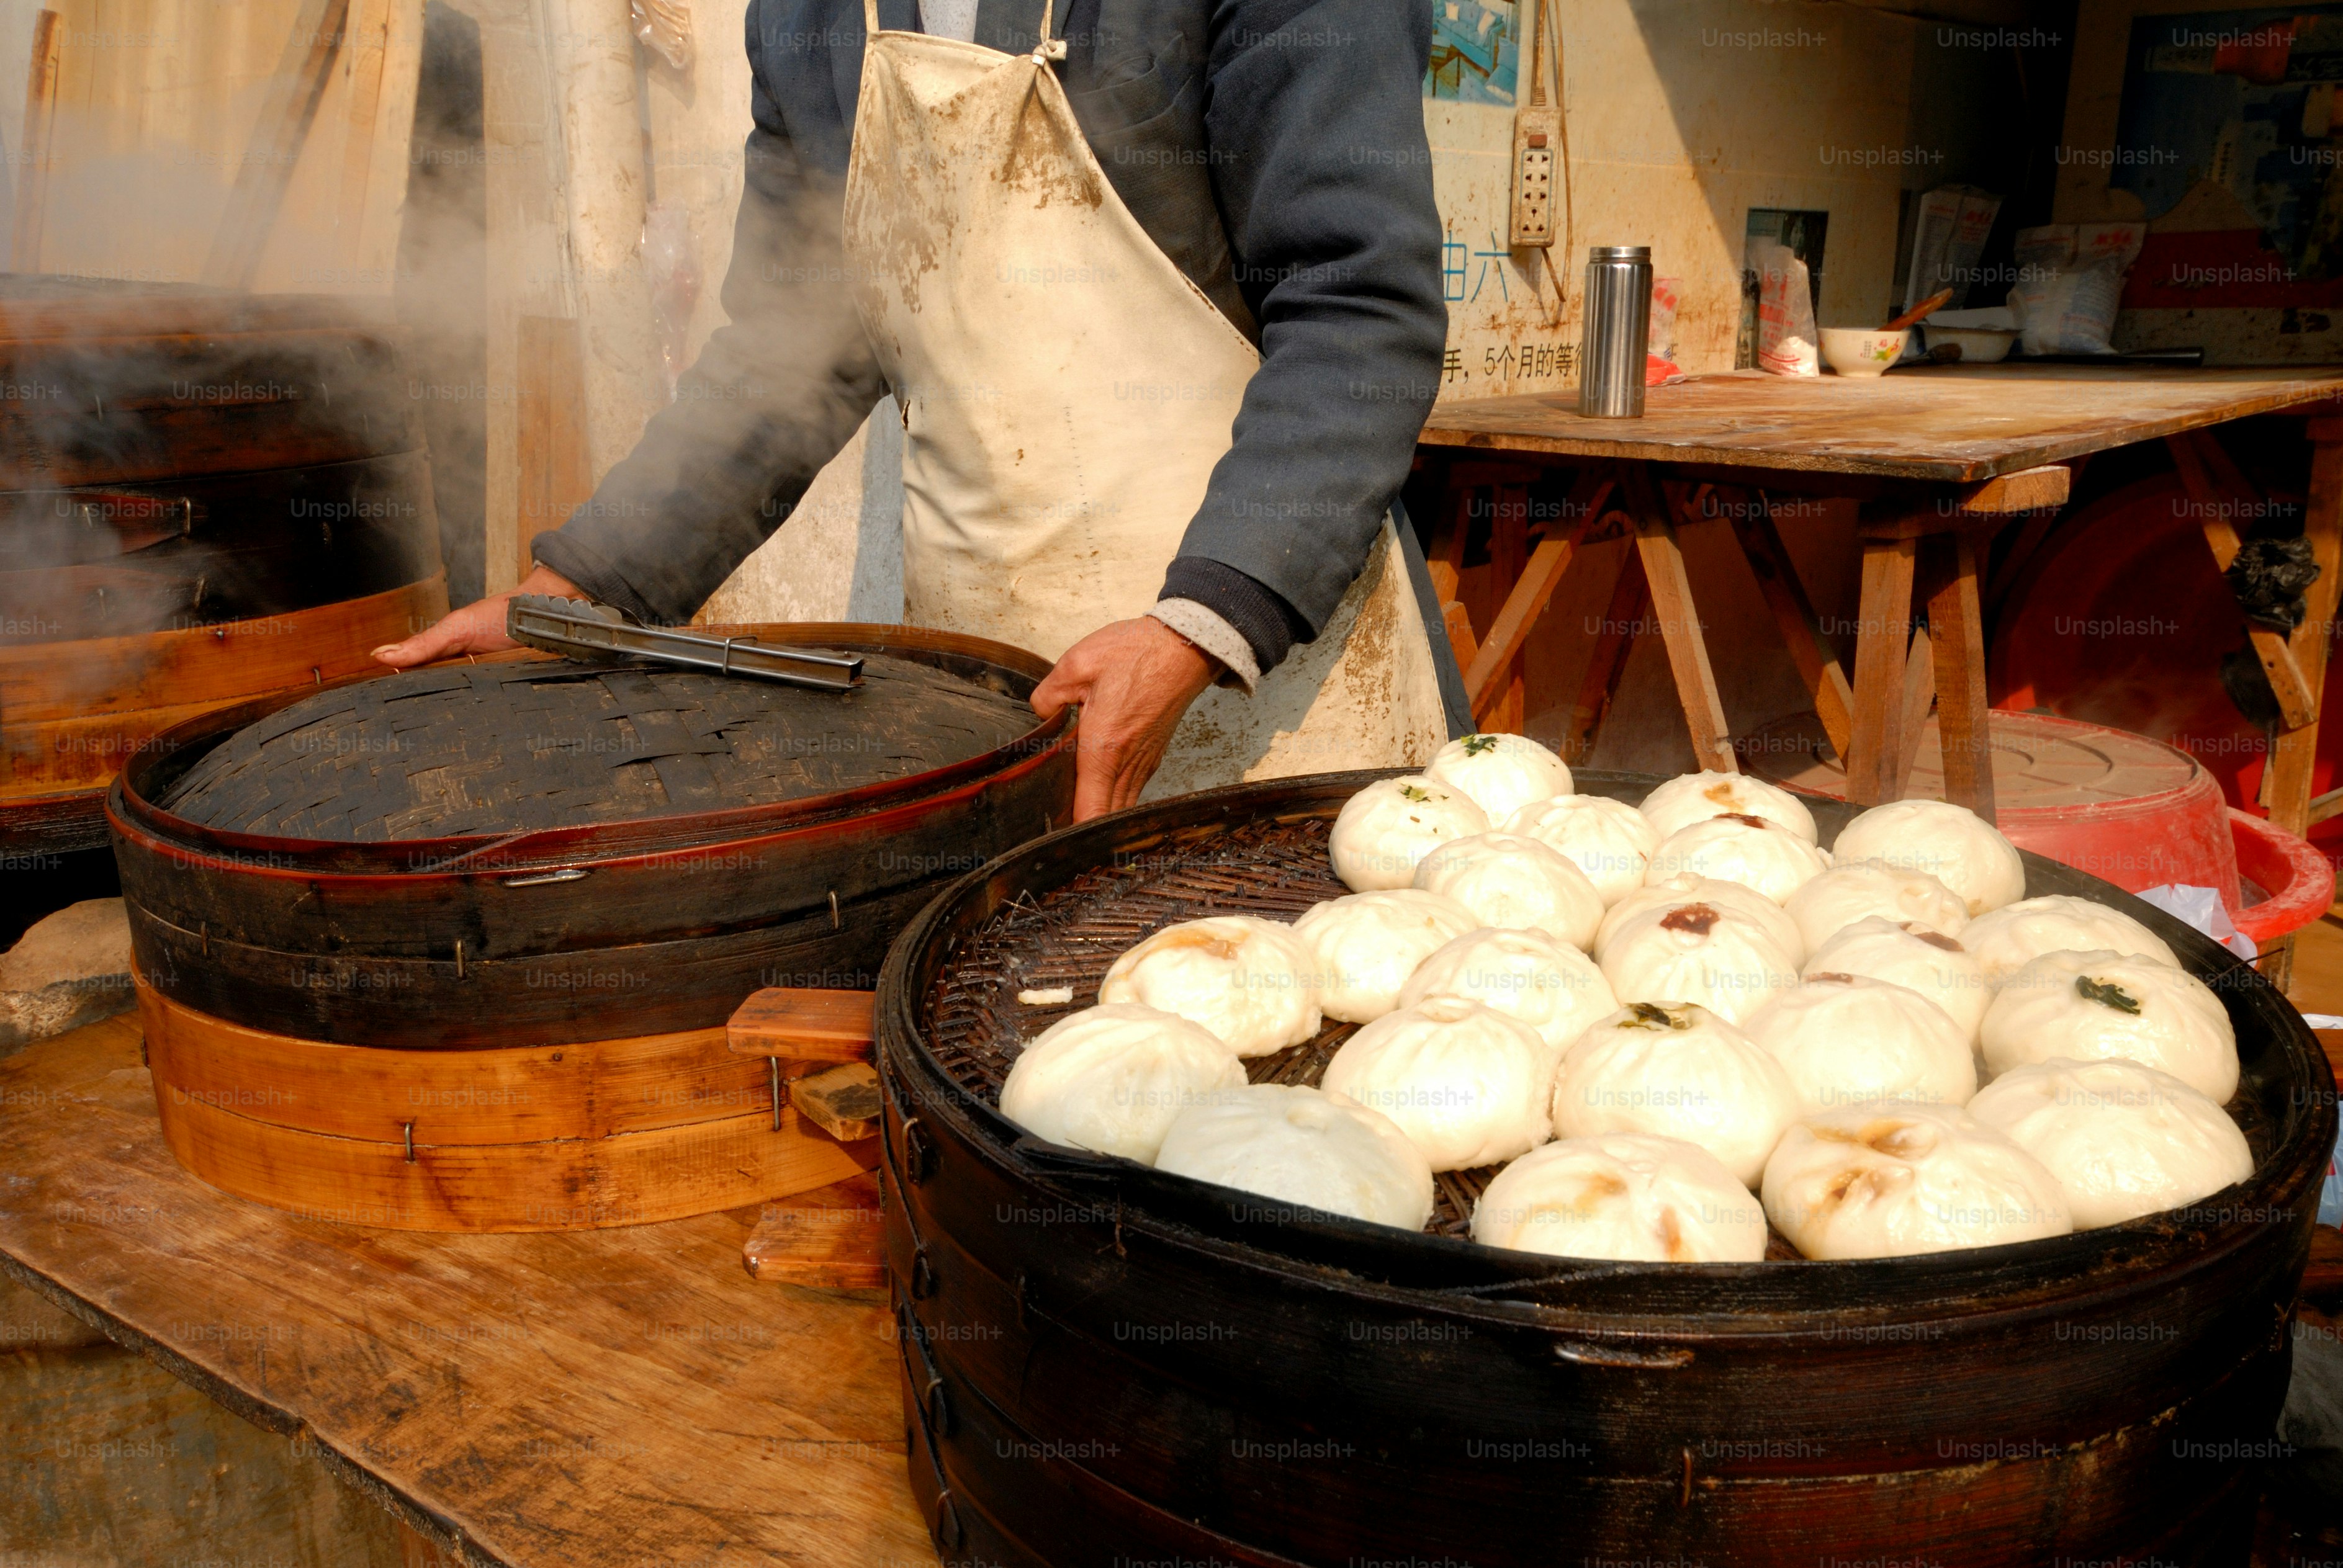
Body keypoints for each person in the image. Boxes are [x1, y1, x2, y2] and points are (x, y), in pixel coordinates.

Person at [376, 0, 1470, 817]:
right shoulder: (810, 19)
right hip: (999, 705)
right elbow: (785, 350)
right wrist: (583, 587)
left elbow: (1357, 308)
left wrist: (1199, 627)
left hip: (1264, 675)